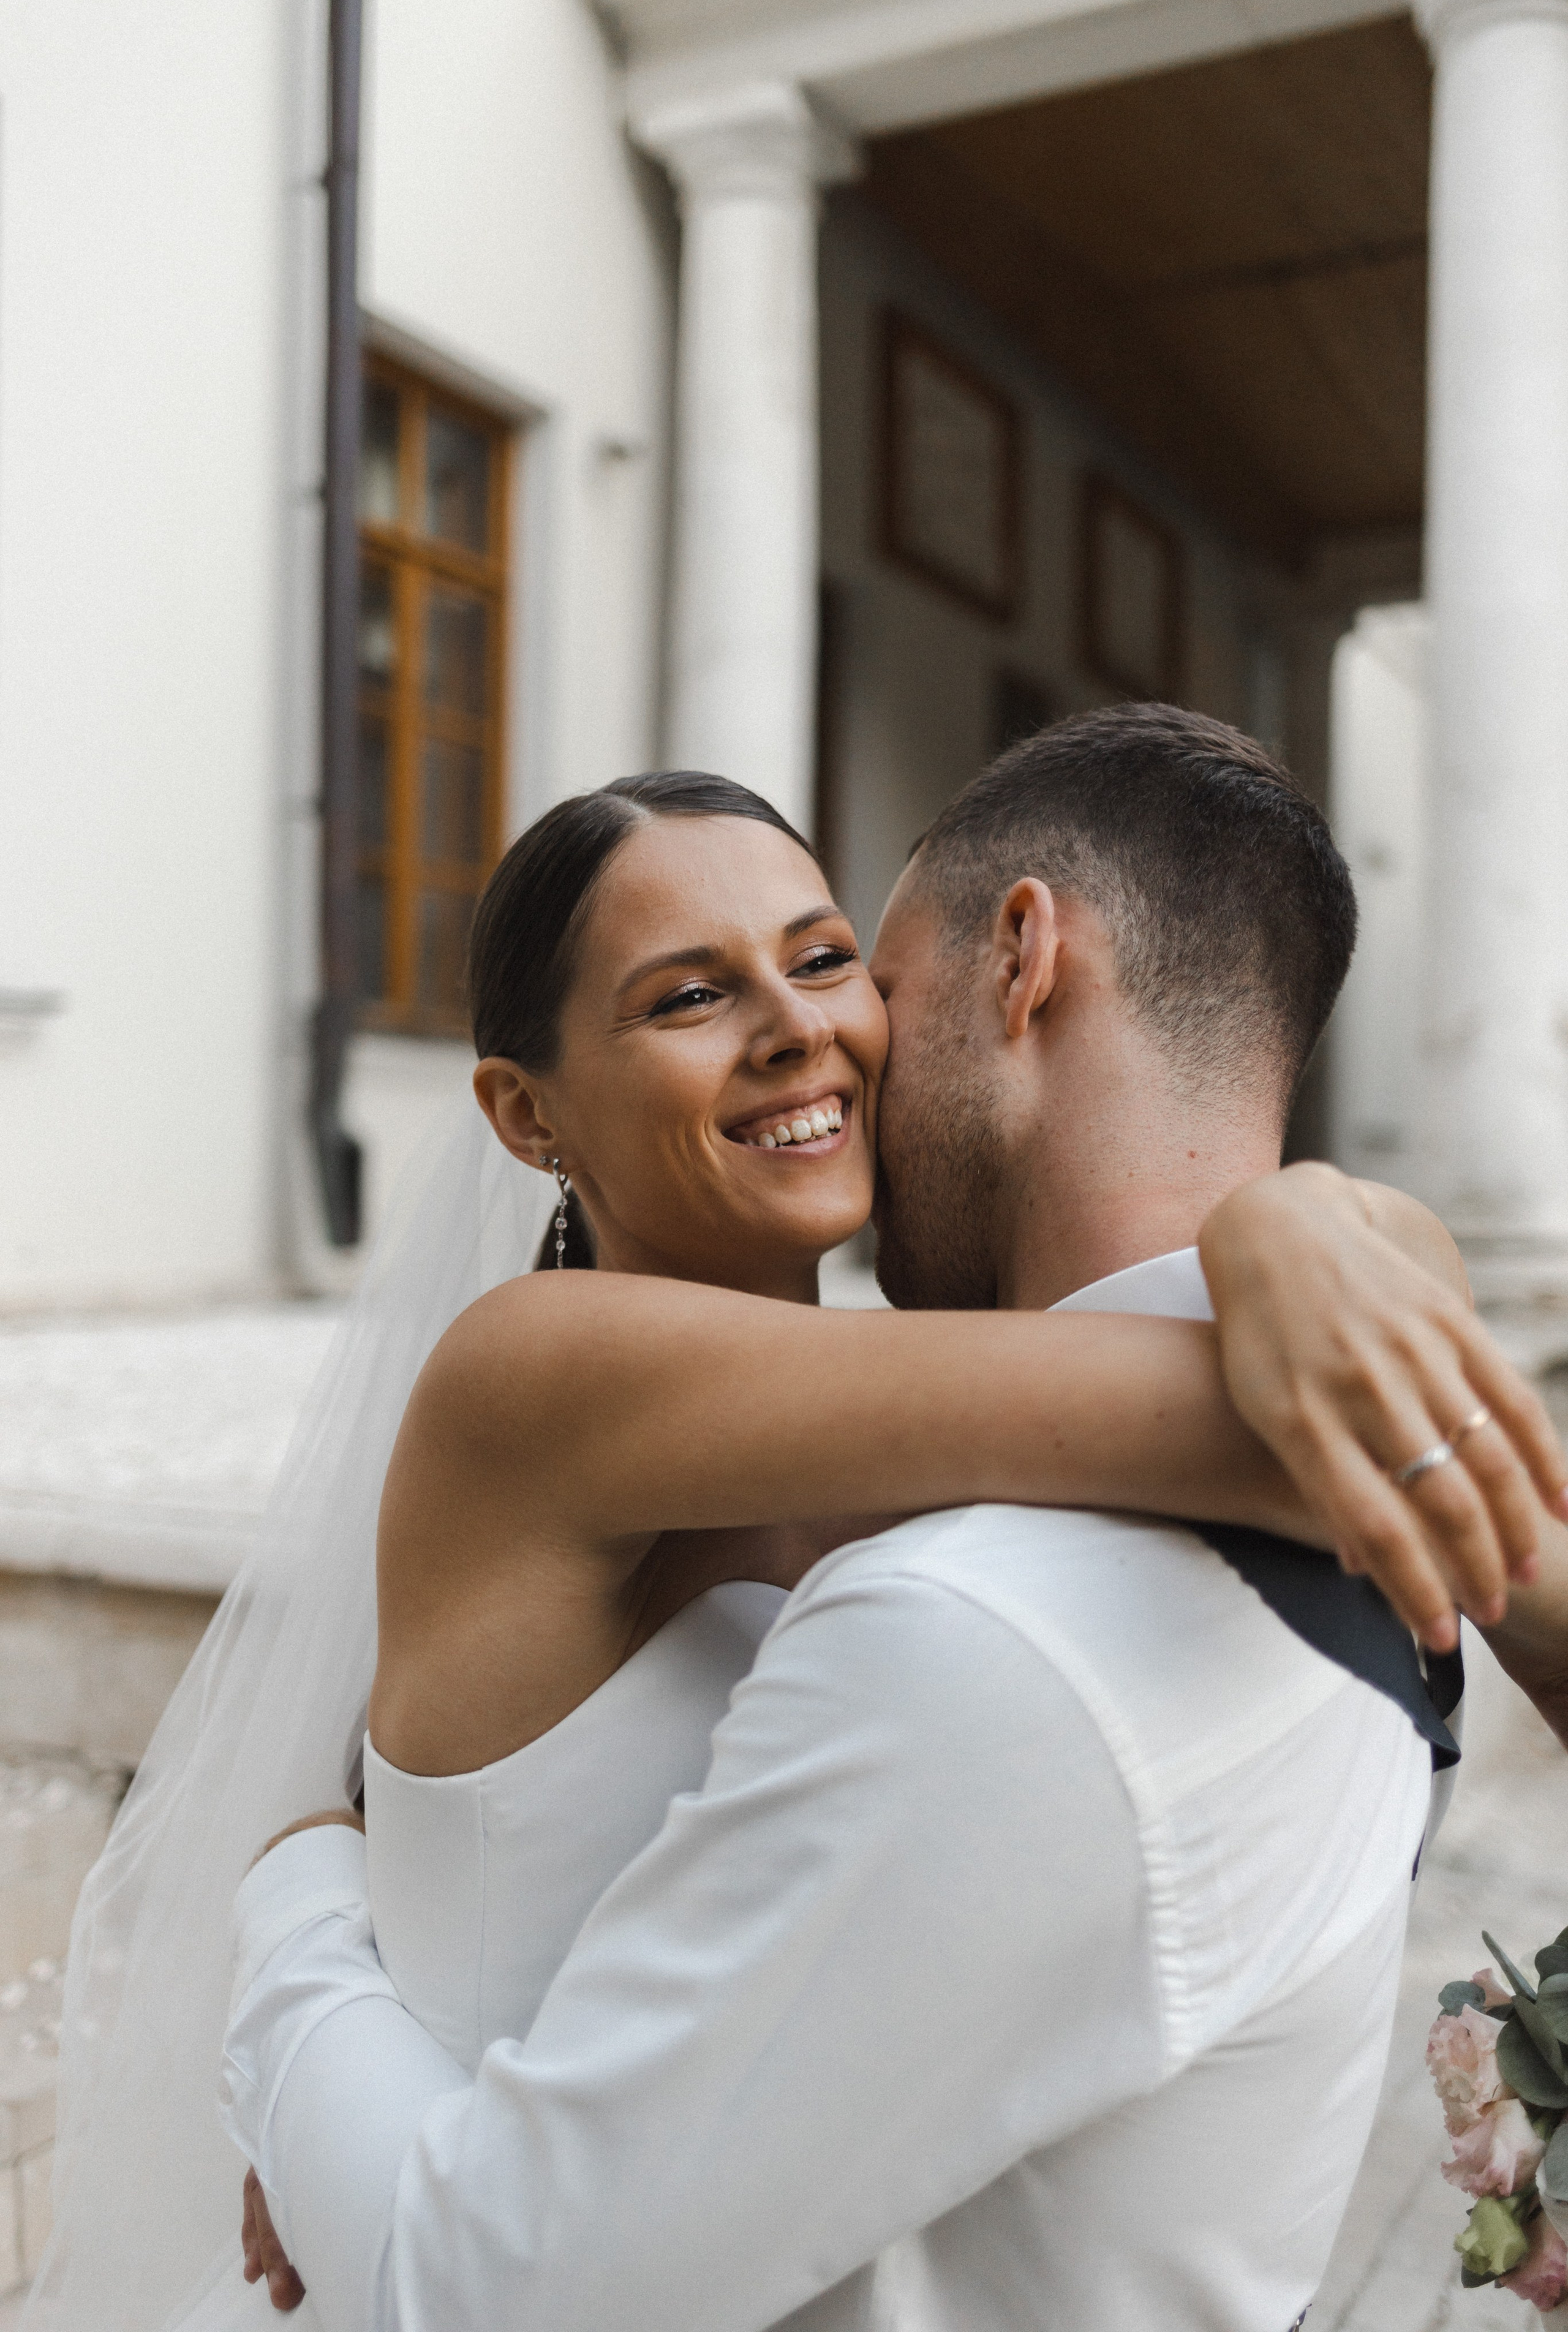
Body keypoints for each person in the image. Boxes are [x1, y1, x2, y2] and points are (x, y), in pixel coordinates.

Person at [203, 711, 1567, 2332]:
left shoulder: (899, 1410)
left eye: (831, 959)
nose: (795, 1027)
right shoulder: (535, 1374)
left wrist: (1312, 1221)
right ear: (528, 1114)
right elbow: (1286, 1441)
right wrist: (293, 1894)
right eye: (691, 994)